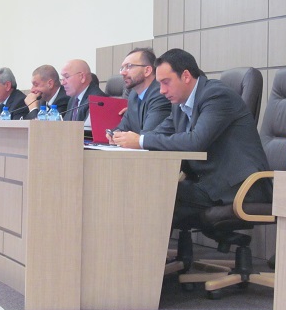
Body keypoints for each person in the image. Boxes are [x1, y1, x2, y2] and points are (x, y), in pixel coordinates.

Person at [112, 48, 272, 221]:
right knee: (146, 189)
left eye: (166, 82)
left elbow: (196, 141)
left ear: (186, 76)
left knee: (154, 194)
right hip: (207, 183)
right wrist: (126, 140)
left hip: (238, 188)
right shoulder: (179, 104)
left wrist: (141, 140)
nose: (162, 91)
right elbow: (158, 133)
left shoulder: (216, 96)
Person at [106, 47, 170, 143]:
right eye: (122, 68)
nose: (122, 73)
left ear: (147, 71)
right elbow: (123, 127)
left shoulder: (160, 94)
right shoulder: (133, 95)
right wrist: (114, 134)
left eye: (129, 66)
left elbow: (149, 136)